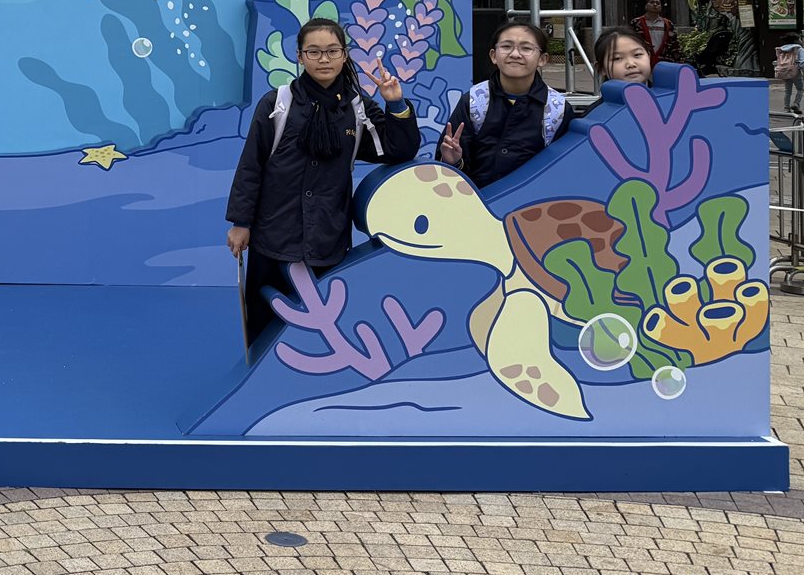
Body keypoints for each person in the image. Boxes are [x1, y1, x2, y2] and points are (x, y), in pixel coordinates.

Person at [225, 19, 419, 343]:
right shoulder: (277, 104)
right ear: (300, 56)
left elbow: (398, 149)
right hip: (274, 235)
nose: (324, 59)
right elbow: (251, 166)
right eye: (313, 52)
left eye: (332, 51)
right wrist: (241, 222)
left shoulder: (357, 109)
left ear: (345, 54)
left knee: (321, 328)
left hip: (328, 237)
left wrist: (395, 103)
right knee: (264, 320)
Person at [438, 20, 572, 186]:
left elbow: (564, 170)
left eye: (526, 48)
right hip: (479, 198)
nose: (515, 54)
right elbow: (450, 165)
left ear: (542, 59)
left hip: (534, 200)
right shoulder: (474, 100)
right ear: (493, 56)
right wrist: (454, 162)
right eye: (507, 46)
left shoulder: (557, 109)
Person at [772, 32, 804, 117]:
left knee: (788, 90)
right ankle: (796, 103)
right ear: (796, 40)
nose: (801, 40)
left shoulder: (781, 49)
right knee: (800, 89)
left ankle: (786, 108)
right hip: (795, 71)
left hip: (784, 71)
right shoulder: (799, 49)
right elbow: (803, 61)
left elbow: (777, 61)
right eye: (799, 39)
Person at [632, 0, 677, 67]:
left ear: (661, 7)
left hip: (664, 62)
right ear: (646, 6)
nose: (655, 4)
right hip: (642, 61)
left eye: (658, 3)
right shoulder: (636, 22)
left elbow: (674, 44)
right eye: (652, 2)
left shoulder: (668, 24)